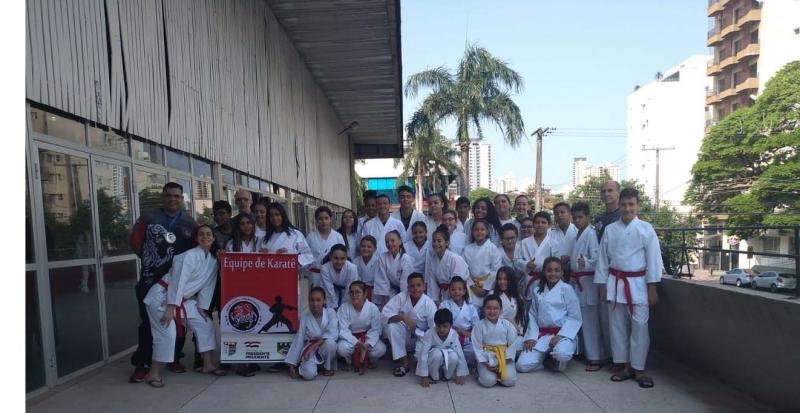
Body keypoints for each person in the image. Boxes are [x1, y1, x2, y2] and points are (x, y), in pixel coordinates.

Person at [129, 182, 197, 382]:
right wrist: (151, 261)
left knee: (177, 322)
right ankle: (142, 364)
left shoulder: (189, 223)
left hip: (176, 283)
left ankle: (173, 358)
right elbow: (135, 242)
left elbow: (194, 251)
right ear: (162, 197)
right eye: (168, 195)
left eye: (176, 196)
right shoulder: (148, 219)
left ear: (182, 199)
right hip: (150, 281)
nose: (172, 199)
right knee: (147, 324)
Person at [141, 224, 224, 387]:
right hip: (163, 298)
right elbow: (177, 282)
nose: (205, 237)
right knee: (167, 333)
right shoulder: (188, 256)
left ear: (213, 239)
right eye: (201, 234)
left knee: (205, 323)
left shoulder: (213, 261)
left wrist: (202, 306)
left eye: (209, 234)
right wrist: (171, 307)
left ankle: (207, 364)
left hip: (183, 300)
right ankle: (153, 373)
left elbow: (208, 285)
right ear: (196, 238)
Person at [595, 188, 662, 389]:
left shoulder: (646, 228)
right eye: (624, 204)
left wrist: (653, 288)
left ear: (637, 206)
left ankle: (639, 369)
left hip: (638, 284)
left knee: (640, 327)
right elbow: (602, 260)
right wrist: (602, 286)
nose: (627, 208)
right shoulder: (610, 229)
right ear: (619, 206)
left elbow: (654, 260)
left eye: (631, 204)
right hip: (615, 283)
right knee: (618, 328)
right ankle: (625, 367)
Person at [517, 257, 582, 373]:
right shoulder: (537, 290)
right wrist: (531, 337)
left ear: (562, 272)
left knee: (562, 353)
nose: (553, 273)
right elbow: (533, 315)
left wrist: (561, 335)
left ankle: (559, 359)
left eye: (557, 270)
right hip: (543, 334)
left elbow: (574, 317)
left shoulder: (567, 289)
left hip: (562, 335)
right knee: (522, 366)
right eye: (549, 270)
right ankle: (543, 360)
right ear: (544, 272)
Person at [570, 202, 608, 371]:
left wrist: (585, 263)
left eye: (580, 217)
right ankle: (586, 352)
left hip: (588, 283)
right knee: (582, 321)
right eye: (575, 218)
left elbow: (598, 260)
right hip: (578, 283)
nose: (577, 220)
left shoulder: (591, 234)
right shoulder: (578, 234)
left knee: (591, 322)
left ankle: (595, 358)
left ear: (588, 217)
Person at [382, 273, 438, 377]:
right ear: (407, 287)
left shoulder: (429, 303)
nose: (415, 289)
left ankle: (417, 357)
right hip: (405, 336)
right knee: (391, 326)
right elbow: (385, 314)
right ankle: (404, 362)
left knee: (420, 360)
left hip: (422, 338)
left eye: (418, 285)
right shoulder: (401, 297)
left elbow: (434, 328)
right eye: (412, 286)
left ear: (424, 286)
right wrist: (402, 317)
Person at [285, 287, 338, 380]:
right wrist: (292, 364)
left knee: (330, 343)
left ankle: (327, 368)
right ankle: (313, 366)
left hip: (324, 347)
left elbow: (332, 333)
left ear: (324, 301)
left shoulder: (330, 313)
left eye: (318, 300)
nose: (315, 303)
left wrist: (314, 347)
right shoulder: (304, 317)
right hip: (310, 348)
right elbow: (299, 338)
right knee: (307, 375)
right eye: (312, 300)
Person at [336, 281, 386, 374]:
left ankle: (370, 360)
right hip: (351, 338)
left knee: (381, 349)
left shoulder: (372, 308)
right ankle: (349, 361)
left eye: (358, 292)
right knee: (341, 348)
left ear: (365, 294)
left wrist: (367, 344)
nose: (354, 295)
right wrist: (357, 342)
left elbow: (376, 329)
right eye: (352, 292)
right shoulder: (344, 308)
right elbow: (343, 329)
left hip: (367, 336)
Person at [472, 294, 518, 388]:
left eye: (495, 308)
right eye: (488, 308)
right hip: (487, 358)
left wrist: (504, 362)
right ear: (483, 309)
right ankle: (483, 372)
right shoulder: (479, 326)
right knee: (488, 381)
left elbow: (512, 344)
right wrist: (486, 363)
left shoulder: (507, 325)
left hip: (504, 357)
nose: (492, 311)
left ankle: (501, 374)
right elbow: (477, 347)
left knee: (509, 381)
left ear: (501, 310)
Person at [416, 308, 469, 387]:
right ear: (435, 324)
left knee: (454, 356)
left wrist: (460, 374)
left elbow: (459, 352)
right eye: (438, 326)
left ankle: (447, 376)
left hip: (447, 360)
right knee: (437, 354)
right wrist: (424, 376)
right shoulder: (429, 333)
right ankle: (434, 377)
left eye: (445, 326)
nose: (441, 329)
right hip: (433, 359)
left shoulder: (453, 334)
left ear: (451, 325)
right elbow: (423, 354)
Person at [425, 225, 471, 303]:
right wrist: (435, 301)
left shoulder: (455, 259)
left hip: (458, 294)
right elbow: (433, 284)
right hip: (442, 295)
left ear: (446, 243)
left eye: (439, 241)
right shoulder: (433, 260)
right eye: (434, 241)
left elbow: (458, 283)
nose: (436, 244)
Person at [462, 219, 503, 308]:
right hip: (471, 287)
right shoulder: (467, 249)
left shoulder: (493, 249)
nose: (479, 232)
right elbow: (464, 270)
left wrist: (485, 289)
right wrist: (472, 285)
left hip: (489, 287)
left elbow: (496, 270)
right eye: (476, 229)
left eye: (482, 229)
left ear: (487, 231)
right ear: (472, 232)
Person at [438, 277, 479, 363]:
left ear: (464, 291)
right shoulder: (444, 305)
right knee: (448, 353)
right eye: (453, 289)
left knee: (475, 351)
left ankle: (463, 362)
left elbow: (476, 326)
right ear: (449, 291)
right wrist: (457, 331)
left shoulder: (470, 307)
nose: (456, 291)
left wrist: (469, 334)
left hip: (467, 337)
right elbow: (441, 322)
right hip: (449, 336)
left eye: (459, 289)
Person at [519, 211, 558, 301]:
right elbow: (517, 261)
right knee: (529, 306)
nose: (540, 225)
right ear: (533, 224)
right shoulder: (524, 242)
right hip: (529, 278)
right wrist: (526, 264)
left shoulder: (553, 243)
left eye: (543, 222)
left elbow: (557, 264)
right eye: (537, 222)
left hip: (547, 280)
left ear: (549, 225)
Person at [306, 206, 346, 287]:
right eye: (320, 219)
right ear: (316, 221)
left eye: (326, 218)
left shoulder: (338, 237)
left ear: (330, 219)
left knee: (332, 298)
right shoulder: (310, 237)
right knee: (316, 298)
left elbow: (343, 256)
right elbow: (306, 257)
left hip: (333, 275)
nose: (323, 221)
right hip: (315, 275)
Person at [374, 230, 414, 305]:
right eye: (387, 241)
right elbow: (382, 280)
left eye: (392, 241)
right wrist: (386, 299)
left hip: (405, 293)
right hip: (389, 293)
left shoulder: (405, 259)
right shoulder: (383, 257)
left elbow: (404, 283)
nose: (389, 244)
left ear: (400, 241)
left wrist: (403, 300)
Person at [492, 267, 526, 347]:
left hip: (516, 333)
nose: (502, 282)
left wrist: (519, 331)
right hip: (497, 334)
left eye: (506, 279)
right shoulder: (492, 295)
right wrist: (509, 321)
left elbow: (521, 318)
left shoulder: (518, 298)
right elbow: (491, 317)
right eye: (500, 279)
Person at [320, 244, 359, 310]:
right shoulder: (325, 268)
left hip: (347, 293)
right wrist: (333, 307)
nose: (339, 261)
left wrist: (343, 307)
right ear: (330, 256)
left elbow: (350, 288)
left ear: (346, 257)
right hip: (331, 293)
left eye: (342, 258)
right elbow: (328, 289)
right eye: (336, 258)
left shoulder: (352, 268)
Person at [499, 223, 528, 295]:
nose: (510, 241)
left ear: (517, 237)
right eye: (506, 238)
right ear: (501, 239)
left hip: (525, 285)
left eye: (512, 238)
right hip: (505, 287)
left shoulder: (523, 247)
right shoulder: (497, 251)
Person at [549, 202, 578, 268]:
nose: (559, 215)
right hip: (555, 270)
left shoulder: (577, 231)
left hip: (574, 268)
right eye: (556, 213)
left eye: (562, 212)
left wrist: (570, 258)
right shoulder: (550, 233)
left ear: (570, 214)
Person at [354, 235, 379, 300]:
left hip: (374, 293)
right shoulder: (355, 261)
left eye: (369, 247)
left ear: (375, 249)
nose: (365, 249)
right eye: (363, 246)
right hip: (358, 292)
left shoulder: (379, 262)